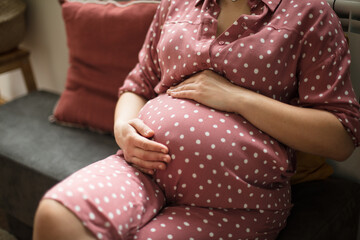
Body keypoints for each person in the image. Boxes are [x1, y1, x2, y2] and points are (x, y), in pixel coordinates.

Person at [33, 0, 360, 239]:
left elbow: (340, 136)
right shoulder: (176, 4)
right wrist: (123, 130)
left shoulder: (309, 14)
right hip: (142, 170)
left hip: (234, 201)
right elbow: (138, 84)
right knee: (57, 218)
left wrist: (237, 97)